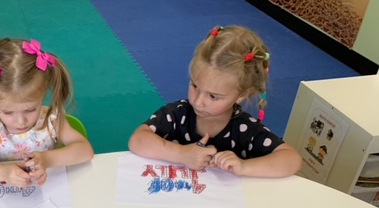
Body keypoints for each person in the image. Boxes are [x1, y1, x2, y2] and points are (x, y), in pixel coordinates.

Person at [128, 25, 301, 178]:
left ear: (241, 95)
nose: (198, 102)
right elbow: (138, 139)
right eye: (195, 86)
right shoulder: (177, 114)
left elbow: (292, 160)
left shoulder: (245, 129)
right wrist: (181, 154)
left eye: (213, 96)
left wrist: (244, 166)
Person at [0, 38, 94, 187]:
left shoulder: (51, 121)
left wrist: (47, 160)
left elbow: (85, 150)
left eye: (30, 109)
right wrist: (3, 172)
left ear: (43, 93)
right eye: (8, 112)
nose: (21, 121)